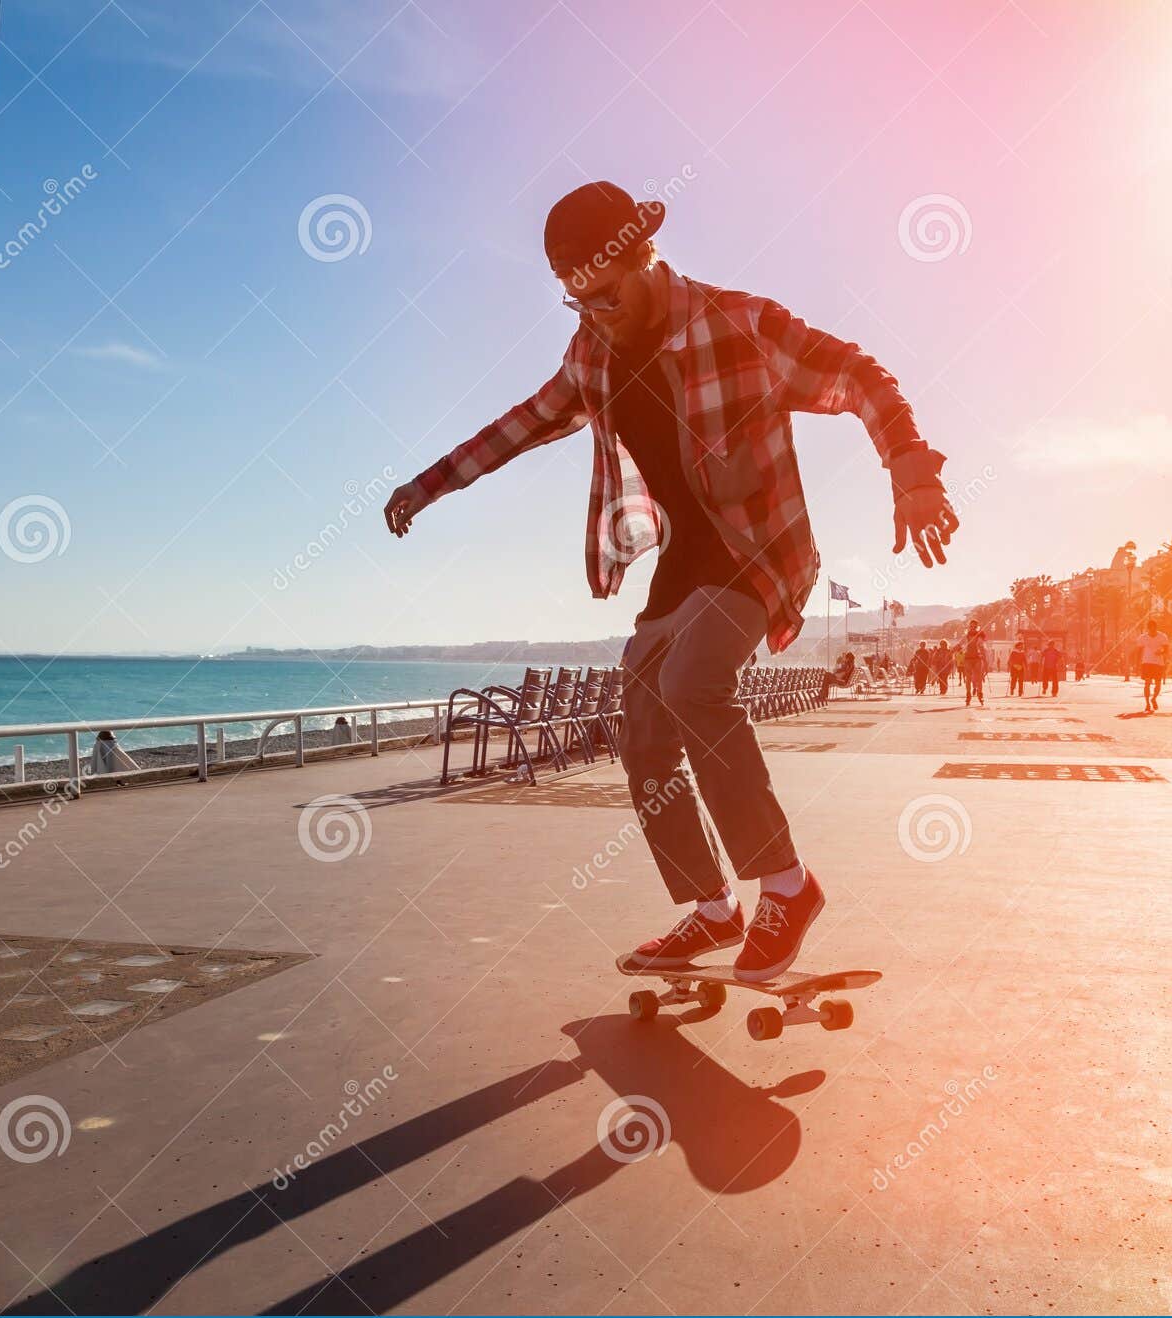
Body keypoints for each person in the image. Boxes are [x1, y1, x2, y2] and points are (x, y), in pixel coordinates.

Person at [383, 181, 958, 981]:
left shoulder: (741, 323)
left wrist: (912, 470)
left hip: (762, 551)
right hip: (687, 559)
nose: (598, 316)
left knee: (694, 686)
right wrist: (429, 484)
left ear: (645, 257)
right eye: (579, 304)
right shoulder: (592, 353)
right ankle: (713, 910)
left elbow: (858, 374)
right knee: (644, 731)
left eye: (609, 297)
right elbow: (522, 424)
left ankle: (788, 887)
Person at [1137, 617, 1170, 712]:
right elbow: (1139, 651)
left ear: (1156, 627)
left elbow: (1166, 650)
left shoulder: (1162, 636)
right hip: (1146, 662)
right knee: (1147, 683)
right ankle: (1147, 703)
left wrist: (1161, 652)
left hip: (1158, 663)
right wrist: (1138, 664)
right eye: (1150, 628)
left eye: (1154, 628)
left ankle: (1154, 698)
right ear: (1148, 628)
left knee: (1158, 684)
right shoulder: (1143, 637)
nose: (1152, 630)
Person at [963, 622, 988, 707]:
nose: (973, 627)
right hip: (968, 659)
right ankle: (968, 695)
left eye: (975, 626)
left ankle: (980, 694)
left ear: (977, 627)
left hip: (977, 658)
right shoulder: (966, 636)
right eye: (971, 626)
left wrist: (985, 661)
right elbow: (960, 644)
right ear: (969, 627)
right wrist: (953, 650)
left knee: (979, 678)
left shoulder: (980, 636)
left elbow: (983, 648)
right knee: (968, 678)